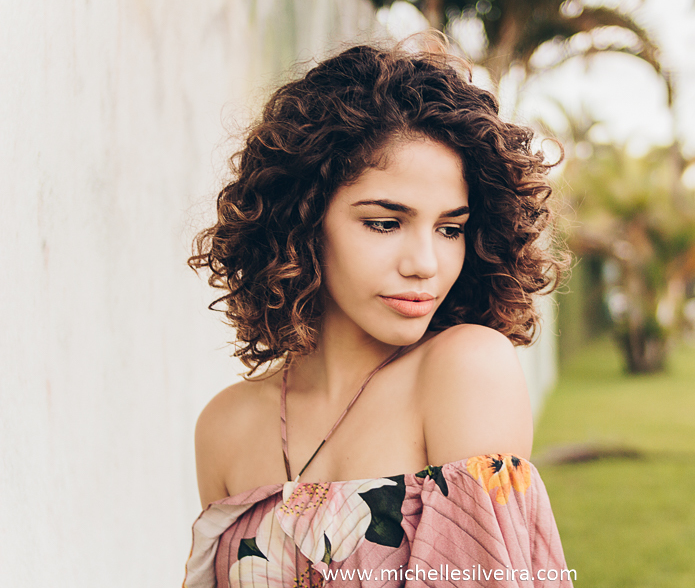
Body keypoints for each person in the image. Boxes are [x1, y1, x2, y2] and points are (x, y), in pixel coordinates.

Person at [183, 35, 573, 587]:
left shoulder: (465, 370)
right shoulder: (226, 426)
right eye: (385, 223)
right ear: (301, 223)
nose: (425, 264)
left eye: (450, 229)